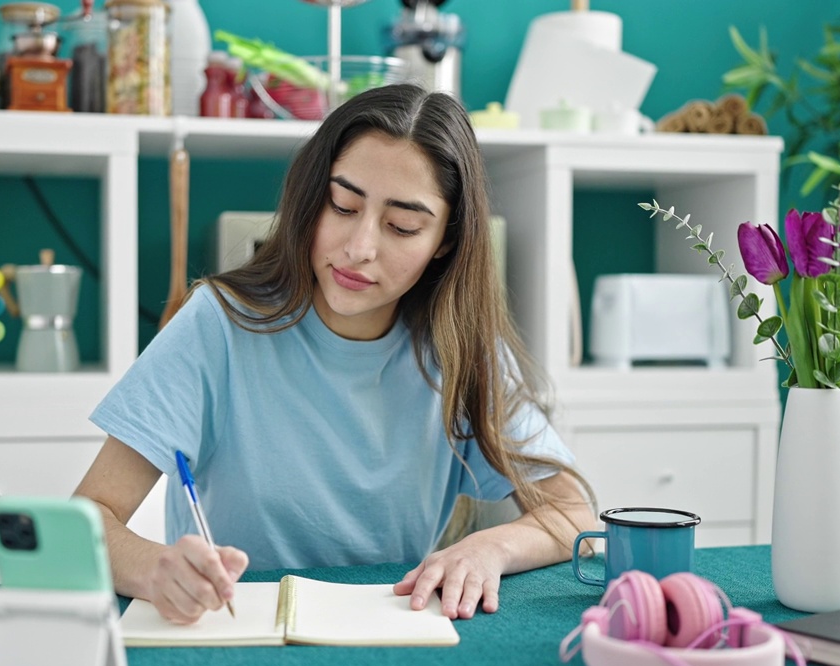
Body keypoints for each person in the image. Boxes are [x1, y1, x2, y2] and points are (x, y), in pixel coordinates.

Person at [73, 83, 596, 625]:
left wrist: (492, 547)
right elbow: (89, 516)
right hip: (237, 632)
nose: (358, 246)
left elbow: (573, 512)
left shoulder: (463, 353)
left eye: (402, 226)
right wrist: (154, 568)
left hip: (395, 629)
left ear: (445, 240)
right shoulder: (218, 324)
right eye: (342, 204)